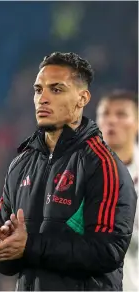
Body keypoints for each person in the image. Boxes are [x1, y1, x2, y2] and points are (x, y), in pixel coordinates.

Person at [0, 52, 137, 291]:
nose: (43, 98)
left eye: (56, 89)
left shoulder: (103, 165)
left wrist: (29, 246)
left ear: (82, 98)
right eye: (38, 89)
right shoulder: (20, 164)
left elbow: (107, 251)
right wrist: (4, 247)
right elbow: (1, 252)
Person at [96, 90, 138, 291]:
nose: (111, 120)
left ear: (137, 123)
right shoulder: (76, 171)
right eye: (105, 114)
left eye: (121, 114)